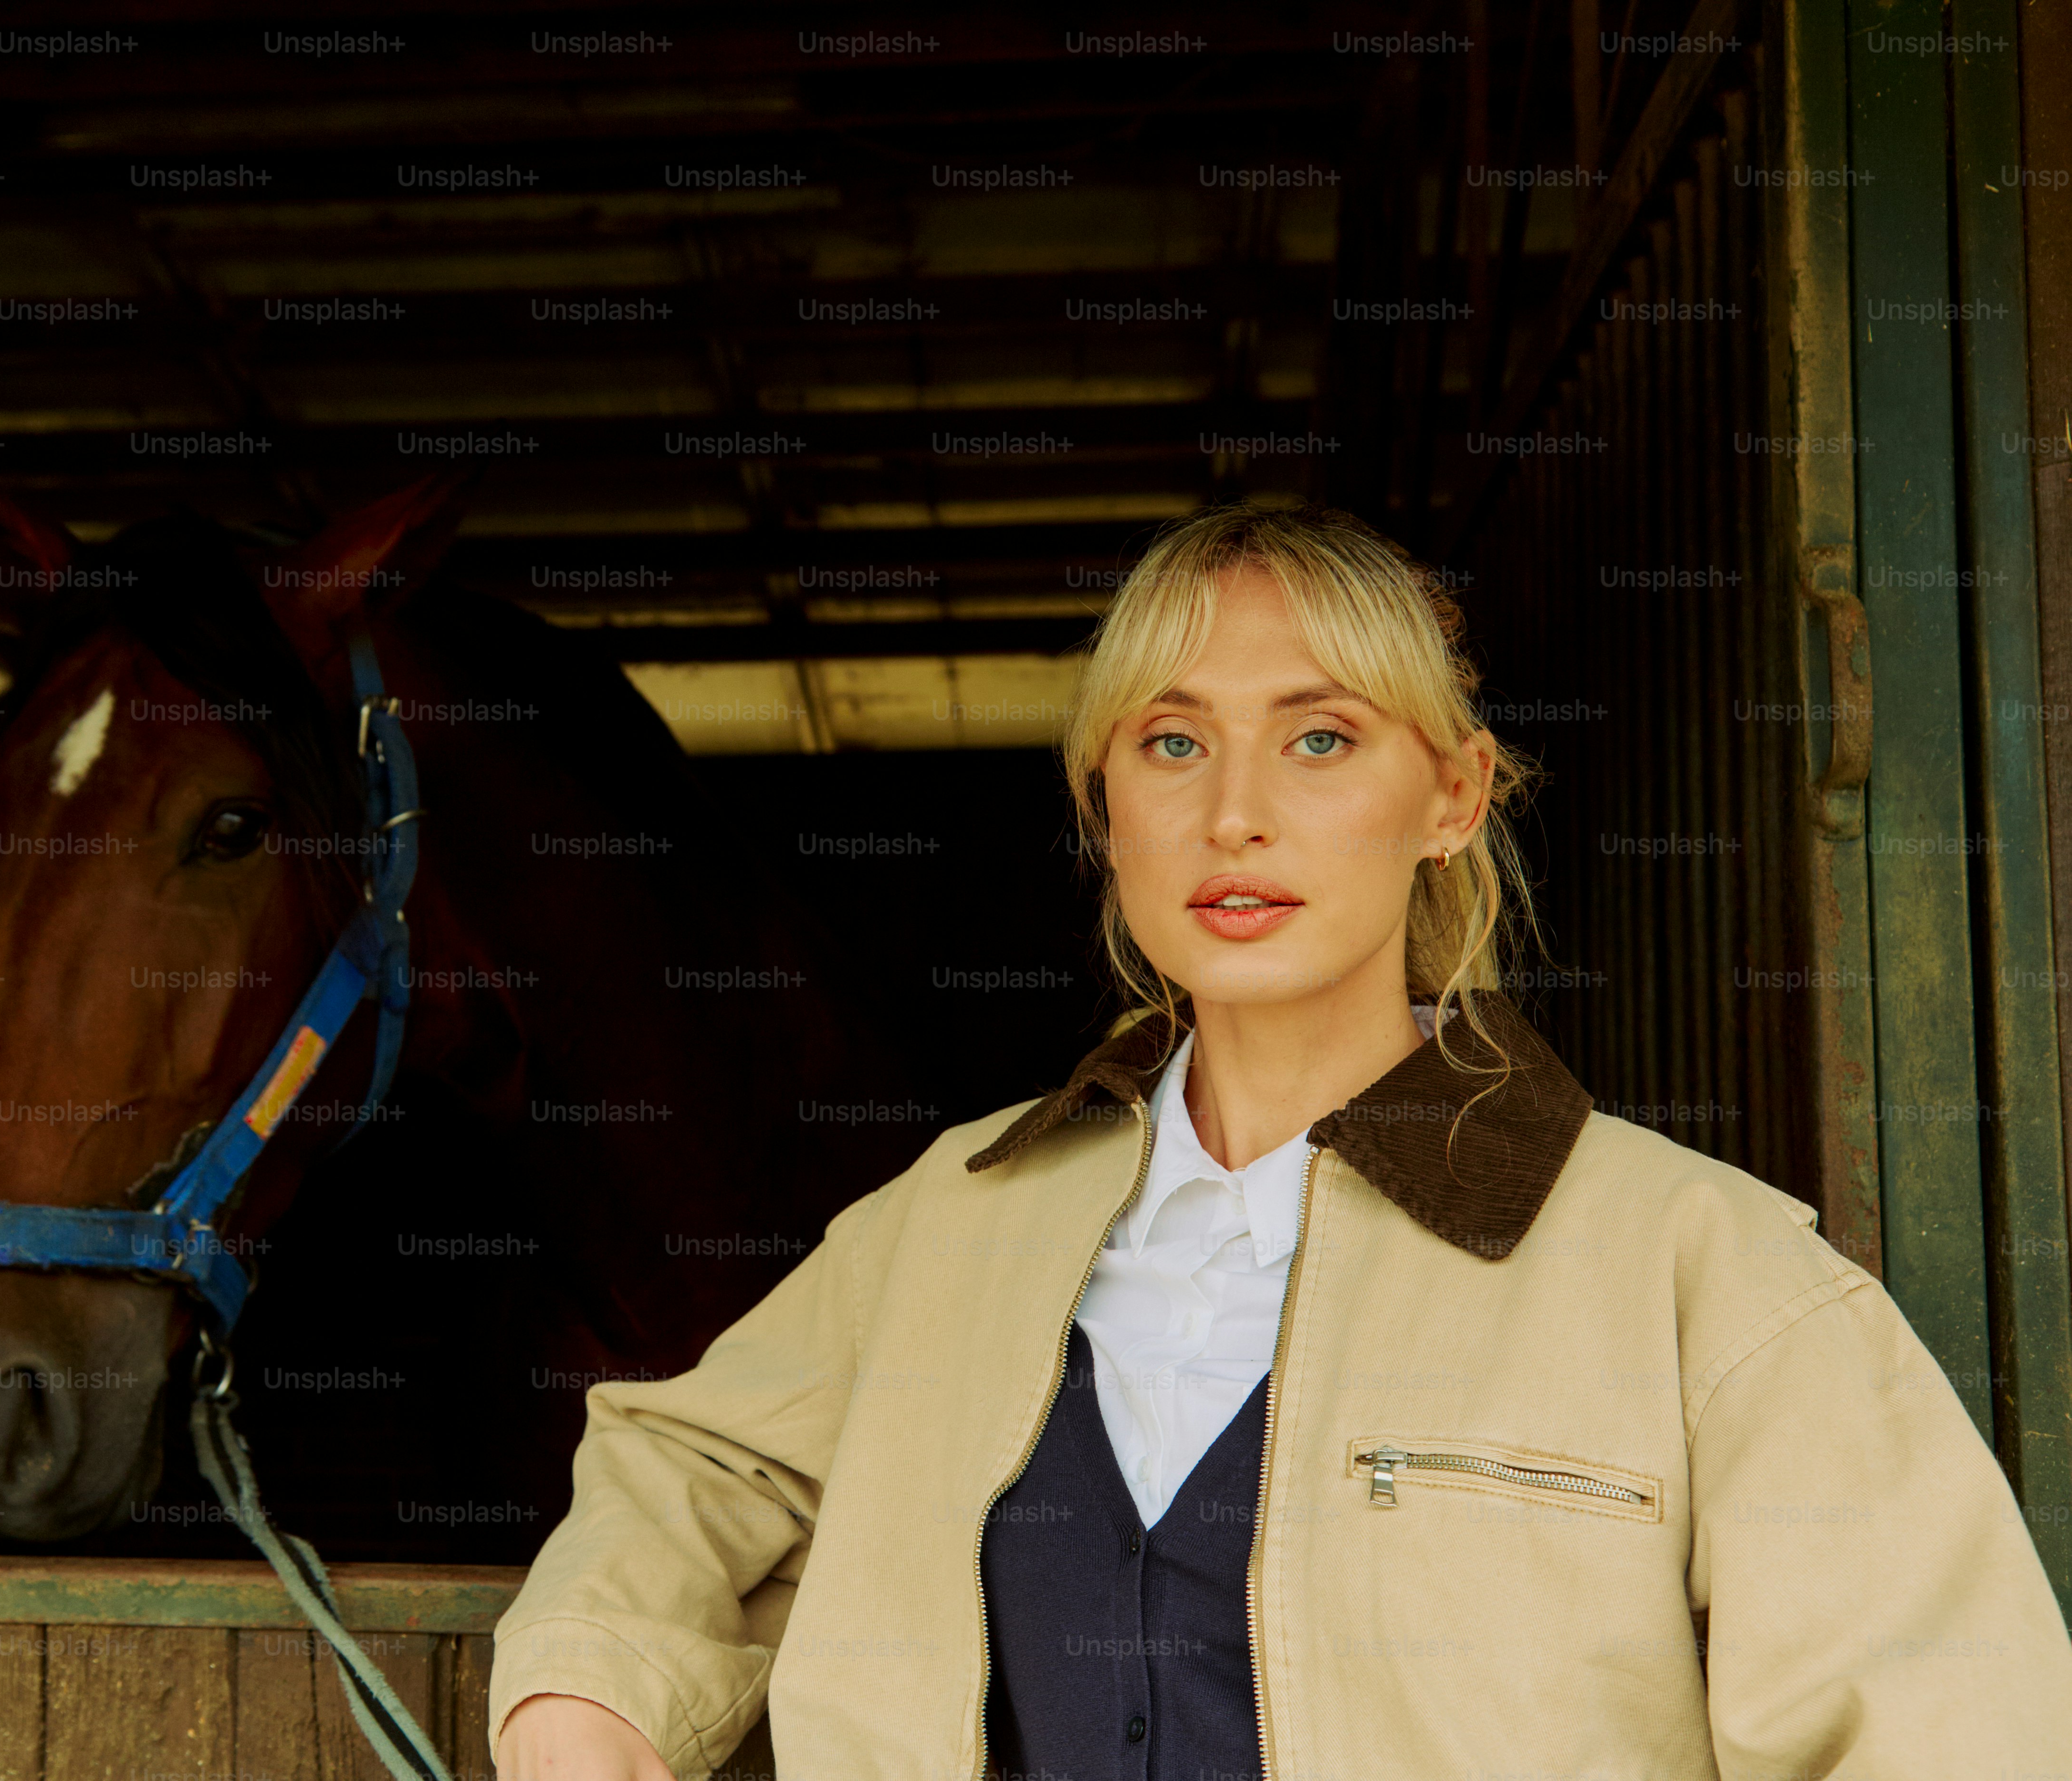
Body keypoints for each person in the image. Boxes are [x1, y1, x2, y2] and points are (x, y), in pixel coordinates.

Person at [486, 501, 2072, 1779]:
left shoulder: (1705, 1277)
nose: (1233, 811)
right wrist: (583, 1690)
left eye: (1320, 740)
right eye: (1171, 744)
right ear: (1106, 808)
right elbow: (692, 1457)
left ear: (1452, 796)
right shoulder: (950, 1223)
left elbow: (1948, 1736)